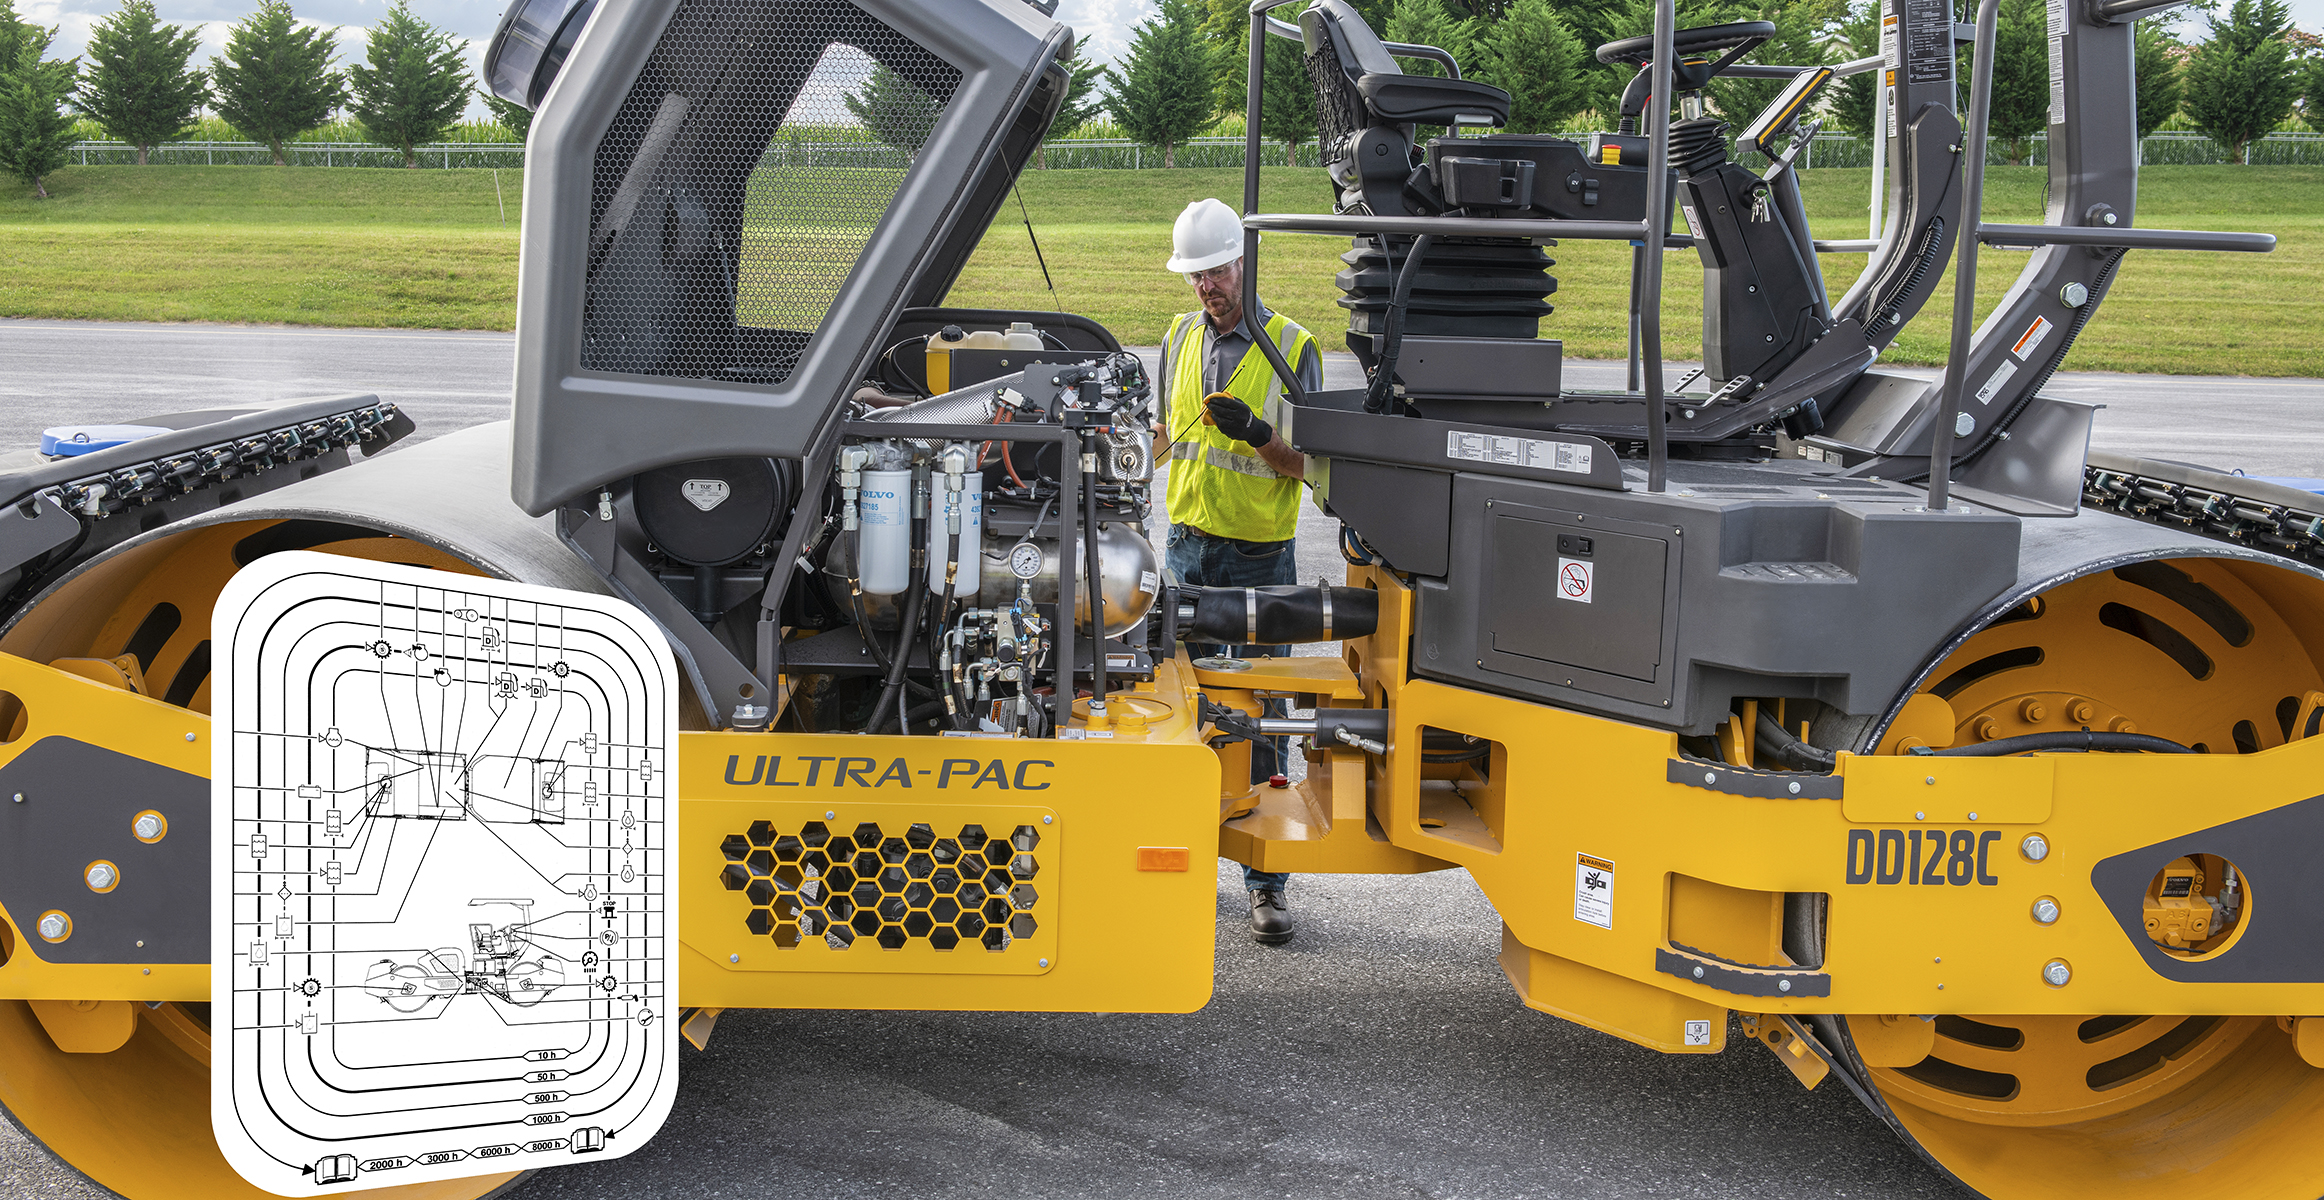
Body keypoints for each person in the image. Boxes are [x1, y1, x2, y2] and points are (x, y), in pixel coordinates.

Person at [1152, 197, 1323, 947]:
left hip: (1257, 558)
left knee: (1260, 718)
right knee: (1178, 712)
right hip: (1186, 550)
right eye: (1195, 276)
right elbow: (1166, 436)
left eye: (1216, 272)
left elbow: (1308, 465)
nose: (1206, 287)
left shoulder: (1292, 346)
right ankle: (1180, 862)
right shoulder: (1178, 337)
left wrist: (1258, 435)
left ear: (1244, 264)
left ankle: (1265, 882)